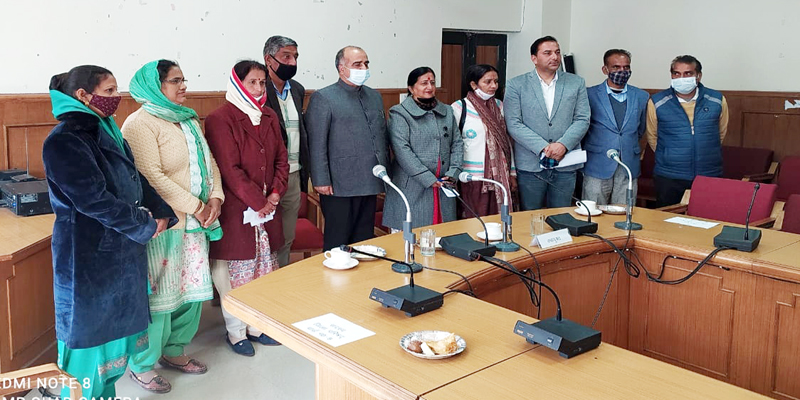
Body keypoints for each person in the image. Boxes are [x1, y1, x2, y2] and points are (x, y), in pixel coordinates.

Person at [43, 65, 176, 399]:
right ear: (83, 95)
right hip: (87, 258)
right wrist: (143, 224)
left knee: (113, 351)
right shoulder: (65, 139)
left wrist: (160, 210)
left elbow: (134, 178)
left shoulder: (107, 129)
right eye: (109, 90)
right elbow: (93, 200)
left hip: (120, 250)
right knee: (89, 351)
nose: (117, 97)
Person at [122, 60, 225, 393]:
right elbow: (151, 176)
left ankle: (175, 350)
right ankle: (143, 364)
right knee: (162, 293)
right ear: (155, 85)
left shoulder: (188, 118)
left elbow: (209, 163)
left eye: (184, 79)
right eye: (175, 80)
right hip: (165, 224)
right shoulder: (139, 123)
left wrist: (216, 198)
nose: (183, 86)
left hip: (197, 223)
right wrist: (197, 206)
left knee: (192, 289)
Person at [205, 60, 289, 356]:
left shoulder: (268, 115)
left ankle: (257, 327)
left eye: (262, 82)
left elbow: (281, 159)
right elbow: (229, 169)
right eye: (252, 82)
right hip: (237, 211)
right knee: (233, 276)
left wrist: (276, 192)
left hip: (267, 210)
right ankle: (236, 332)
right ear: (237, 83)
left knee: (263, 272)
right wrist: (260, 202)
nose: (258, 88)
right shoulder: (220, 118)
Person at [305, 46, 390, 250]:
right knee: (338, 242)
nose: (364, 68)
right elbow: (316, 143)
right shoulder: (324, 97)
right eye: (357, 64)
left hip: (370, 179)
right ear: (341, 68)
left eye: (366, 63)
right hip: (339, 184)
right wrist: (320, 180)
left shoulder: (374, 96)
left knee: (364, 240)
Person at [504, 36, 590, 210]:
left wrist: (562, 145)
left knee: (562, 215)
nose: (554, 57)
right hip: (530, 164)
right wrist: (544, 147)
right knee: (530, 216)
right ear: (534, 58)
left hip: (566, 162)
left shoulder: (576, 82)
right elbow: (513, 123)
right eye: (548, 53)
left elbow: (582, 119)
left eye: (557, 52)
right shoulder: (516, 85)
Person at [382, 67, 463, 229]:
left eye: (432, 82)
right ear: (411, 88)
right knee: (410, 235)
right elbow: (402, 150)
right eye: (424, 83)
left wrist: (453, 172)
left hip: (444, 183)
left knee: (443, 234)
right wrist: (427, 178)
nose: (429, 87)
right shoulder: (399, 113)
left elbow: (457, 143)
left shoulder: (447, 111)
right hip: (412, 186)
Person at [645, 55, 729, 207]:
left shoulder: (716, 100)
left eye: (688, 73)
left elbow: (720, 133)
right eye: (676, 73)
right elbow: (652, 136)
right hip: (670, 176)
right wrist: (670, 155)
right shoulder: (657, 101)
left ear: (698, 76)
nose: (681, 78)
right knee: (667, 218)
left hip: (708, 173)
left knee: (706, 218)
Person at [263, 35, 309, 266]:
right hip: (267, 176)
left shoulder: (297, 89)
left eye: (295, 57)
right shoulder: (257, 88)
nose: (292, 62)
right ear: (268, 59)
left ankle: (281, 276)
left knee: (287, 236)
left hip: (293, 174)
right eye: (286, 57)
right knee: (263, 236)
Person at [582, 49, 649, 205]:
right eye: (616, 67)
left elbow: (641, 129)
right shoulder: (589, 95)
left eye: (626, 67)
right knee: (592, 211)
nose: (622, 71)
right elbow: (582, 127)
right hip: (597, 164)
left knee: (624, 213)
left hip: (628, 164)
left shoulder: (641, 96)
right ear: (605, 69)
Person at [451, 64, 516, 217]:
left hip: (500, 177)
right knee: (474, 220)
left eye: (496, 81)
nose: (494, 86)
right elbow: (453, 144)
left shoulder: (500, 106)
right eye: (488, 82)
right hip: (471, 177)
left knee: (498, 220)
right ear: (474, 84)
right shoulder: (459, 107)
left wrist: (512, 172)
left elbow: (507, 142)